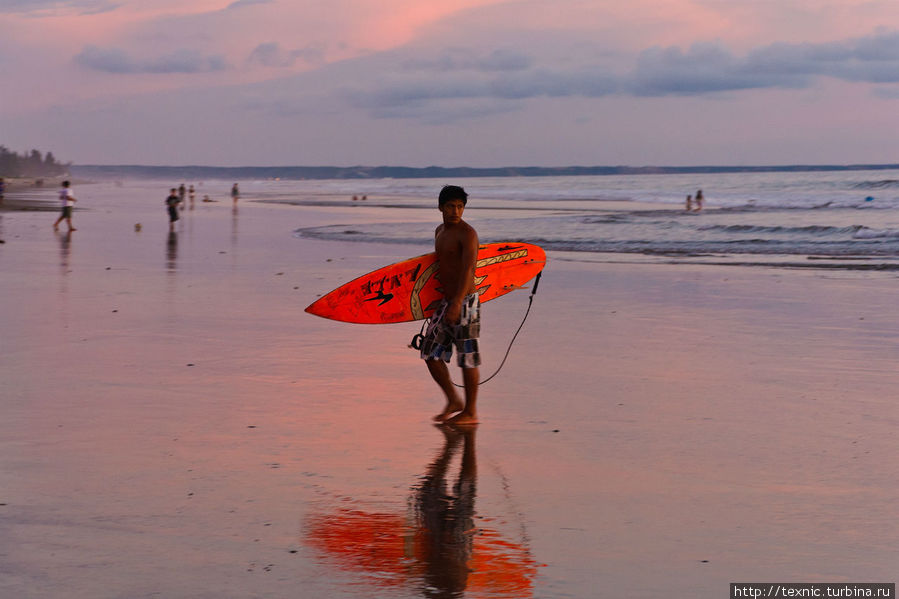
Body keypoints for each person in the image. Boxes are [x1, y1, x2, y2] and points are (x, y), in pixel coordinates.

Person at [419, 185, 481, 425]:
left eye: (460, 206)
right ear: (440, 208)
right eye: (450, 206)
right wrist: (438, 299)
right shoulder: (439, 231)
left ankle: (471, 411)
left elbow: (468, 270)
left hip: (465, 302)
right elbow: (441, 267)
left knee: (467, 356)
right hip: (446, 301)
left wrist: (457, 302)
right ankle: (454, 400)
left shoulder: (468, 234)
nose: (456, 210)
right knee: (429, 352)